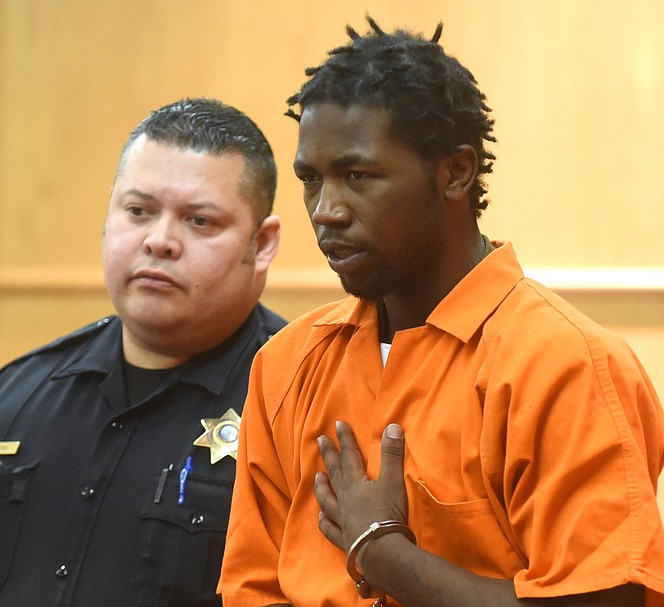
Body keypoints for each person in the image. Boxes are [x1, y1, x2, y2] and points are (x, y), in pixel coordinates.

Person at [218, 17, 664, 607]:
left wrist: (386, 556)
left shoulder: (566, 364)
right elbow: (252, 591)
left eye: (358, 175)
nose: (326, 210)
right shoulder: (284, 366)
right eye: (310, 180)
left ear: (456, 172)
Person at [0, 97, 285, 607]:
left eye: (199, 221)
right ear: (108, 216)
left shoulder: (300, 401)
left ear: (261, 244)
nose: (159, 241)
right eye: (138, 211)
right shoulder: (13, 398)